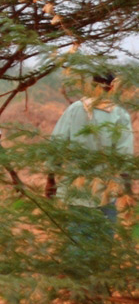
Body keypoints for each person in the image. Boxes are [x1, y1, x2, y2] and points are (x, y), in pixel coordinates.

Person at [45, 74, 133, 223]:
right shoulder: (119, 114)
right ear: (113, 87)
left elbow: (57, 146)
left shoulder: (74, 109)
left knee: (76, 241)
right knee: (104, 242)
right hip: (105, 193)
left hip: (75, 191)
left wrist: (51, 180)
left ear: (92, 85)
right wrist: (128, 191)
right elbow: (124, 158)